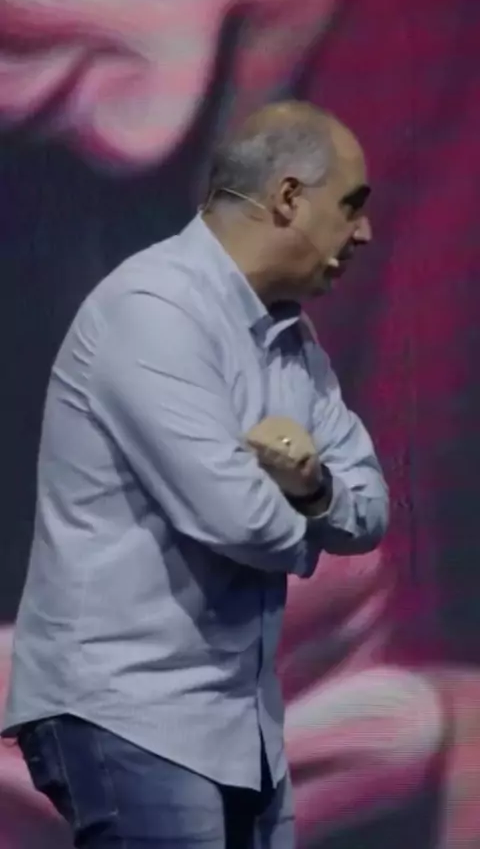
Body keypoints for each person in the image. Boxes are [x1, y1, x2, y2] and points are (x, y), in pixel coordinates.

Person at [2, 101, 389, 848]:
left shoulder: (295, 341)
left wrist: (313, 488)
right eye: (351, 206)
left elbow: (369, 508)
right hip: (130, 710)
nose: (365, 232)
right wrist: (315, 519)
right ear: (287, 198)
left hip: (242, 725)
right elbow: (241, 523)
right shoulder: (153, 308)